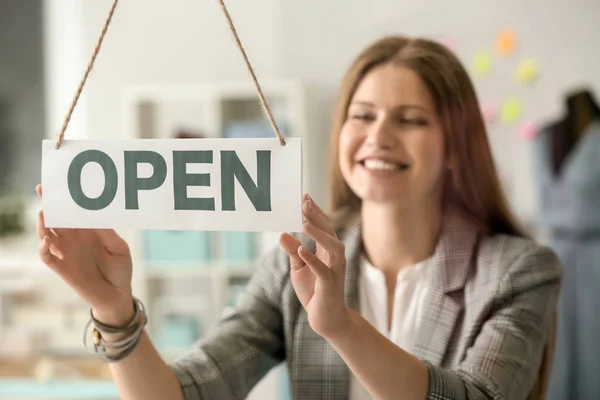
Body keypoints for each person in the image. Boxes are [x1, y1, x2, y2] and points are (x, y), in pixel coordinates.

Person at [36, 35, 562, 400]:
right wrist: (112, 309)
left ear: (454, 147)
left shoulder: (521, 272)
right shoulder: (290, 268)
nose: (379, 136)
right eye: (362, 115)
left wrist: (341, 326)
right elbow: (188, 392)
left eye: (411, 120)